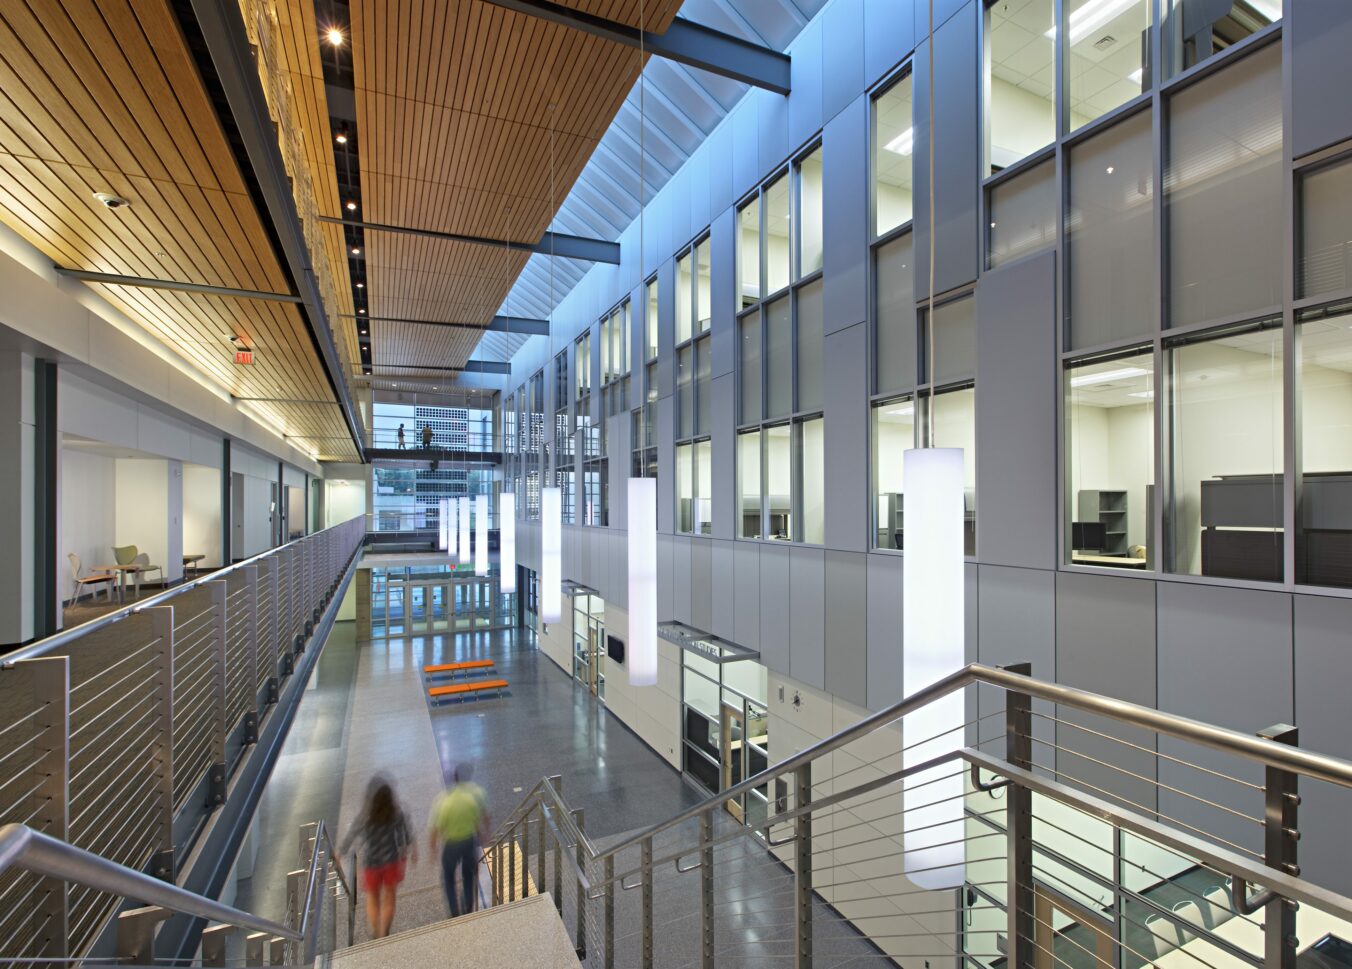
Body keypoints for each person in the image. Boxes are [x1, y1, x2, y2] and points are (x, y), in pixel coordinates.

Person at [340, 779, 415, 939]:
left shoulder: (365, 817)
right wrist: (409, 849)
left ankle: (376, 933)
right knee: (389, 896)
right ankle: (385, 931)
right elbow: (405, 834)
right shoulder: (396, 812)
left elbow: (351, 835)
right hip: (391, 861)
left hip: (371, 864)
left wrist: (340, 853)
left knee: (373, 898)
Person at [428, 765, 490, 918]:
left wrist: (433, 849)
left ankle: (454, 912)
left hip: (451, 845)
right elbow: (479, 819)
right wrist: (483, 835)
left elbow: (434, 829)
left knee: (448, 878)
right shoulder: (469, 799)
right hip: (469, 841)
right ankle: (468, 905)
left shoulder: (442, 801)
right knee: (469, 875)